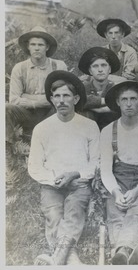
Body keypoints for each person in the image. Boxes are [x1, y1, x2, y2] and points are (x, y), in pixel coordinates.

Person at [28, 71, 100, 265]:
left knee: (74, 210)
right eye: (57, 96)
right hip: (52, 183)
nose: (61, 101)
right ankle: (71, 259)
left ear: (76, 98)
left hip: (79, 182)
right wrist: (52, 179)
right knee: (53, 214)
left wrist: (75, 174)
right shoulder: (42, 128)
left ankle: (57, 259)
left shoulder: (90, 125)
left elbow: (95, 162)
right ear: (52, 99)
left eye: (66, 96)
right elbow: (34, 166)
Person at [100, 80, 138, 264]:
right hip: (118, 178)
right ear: (118, 102)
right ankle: (127, 252)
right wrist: (116, 192)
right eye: (124, 99)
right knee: (116, 211)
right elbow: (105, 170)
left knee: (137, 209)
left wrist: (137, 191)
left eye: (133, 99)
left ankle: (121, 252)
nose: (129, 104)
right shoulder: (107, 131)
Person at [6, 26, 67, 143]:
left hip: (51, 113)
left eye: (40, 45)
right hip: (27, 115)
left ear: (47, 47)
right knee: (6, 108)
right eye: (33, 45)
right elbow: (14, 100)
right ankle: (10, 147)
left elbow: (61, 97)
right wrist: (44, 100)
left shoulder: (59, 66)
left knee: (62, 105)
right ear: (28, 47)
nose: (37, 48)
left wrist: (29, 99)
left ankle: (59, 142)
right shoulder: (20, 68)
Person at [78, 47, 122, 130]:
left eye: (104, 65)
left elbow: (122, 105)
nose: (100, 70)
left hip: (111, 131)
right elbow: (79, 100)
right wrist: (105, 102)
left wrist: (100, 109)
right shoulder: (84, 87)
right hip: (87, 131)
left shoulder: (115, 88)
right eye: (95, 66)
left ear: (109, 69)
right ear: (90, 71)